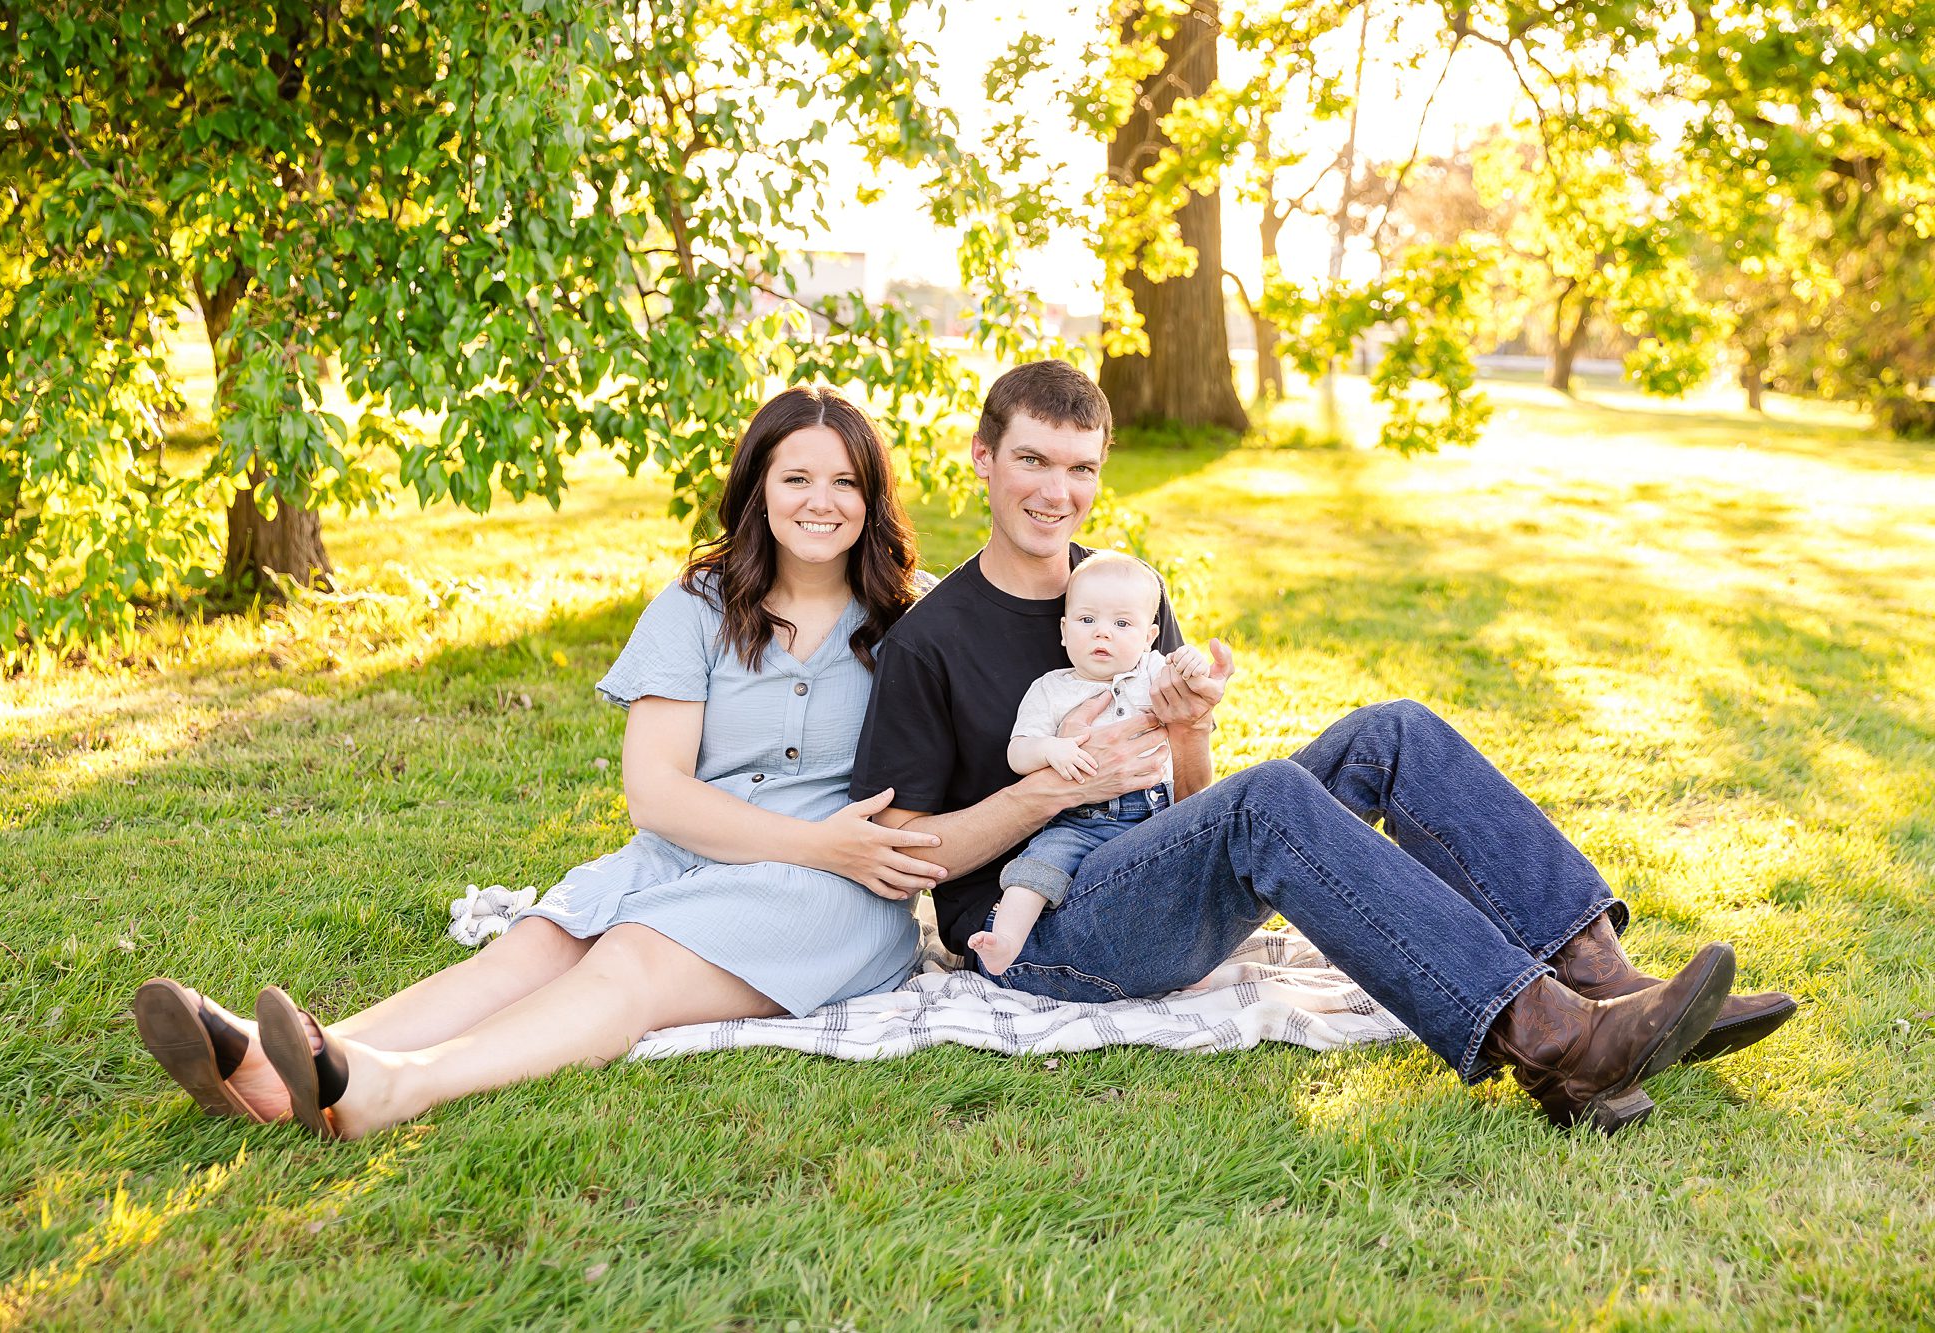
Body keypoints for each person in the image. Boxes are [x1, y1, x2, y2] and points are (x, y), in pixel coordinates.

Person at [850, 359, 1797, 1132]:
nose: (1058, 492)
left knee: (1397, 730)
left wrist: (1189, 727)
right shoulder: (931, 639)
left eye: (1082, 468)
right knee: (1270, 799)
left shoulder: (1122, 593)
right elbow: (905, 858)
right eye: (1033, 461)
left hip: (1146, 879)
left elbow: (1187, 807)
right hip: (1044, 935)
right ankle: (1555, 1041)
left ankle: (1606, 980)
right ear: (983, 459)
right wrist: (1046, 795)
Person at [133, 385, 944, 1141]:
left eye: (845, 482)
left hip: (838, 893)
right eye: (796, 476)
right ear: (757, 488)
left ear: (871, 499)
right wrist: (814, 840)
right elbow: (656, 795)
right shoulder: (699, 604)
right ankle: (289, 1062)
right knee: (536, 946)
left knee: (631, 957)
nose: (821, 501)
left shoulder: (913, 616)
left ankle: (396, 1086)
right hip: (690, 855)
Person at [967, 551, 1209, 975]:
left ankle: (1186, 958)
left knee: (1181, 877)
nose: (1103, 634)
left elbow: (1192, 692)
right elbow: (1018, 751)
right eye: (1087, 620)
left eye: (1122, 624)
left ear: (1151, 635)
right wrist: (1052, 750)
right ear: (1064, 631)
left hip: (1154, 812)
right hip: (1079, 820)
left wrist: (1194, 665)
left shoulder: (1154, 673)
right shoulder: (1052, 690)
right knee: (1036, 868)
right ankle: (1004, 943)